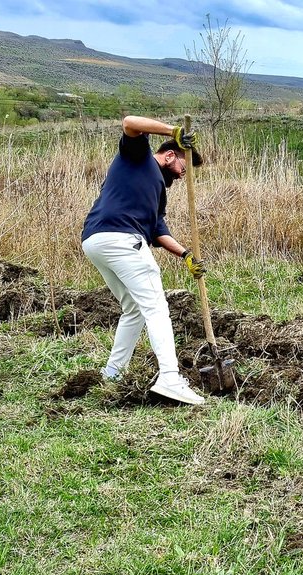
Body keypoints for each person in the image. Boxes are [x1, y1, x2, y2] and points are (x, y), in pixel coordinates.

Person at [80, 115, 209, 405]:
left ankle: (113, 373)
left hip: (96, 241)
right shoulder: (138, 157)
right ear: (170, 154)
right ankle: (170, 378)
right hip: (121, 239)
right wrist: (172, 130)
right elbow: (129, 122)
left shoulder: (157, 190)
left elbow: (157, 230)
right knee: (156, 307)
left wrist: (186, 255)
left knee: (134, 309)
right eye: (182, 169)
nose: (181, 176)